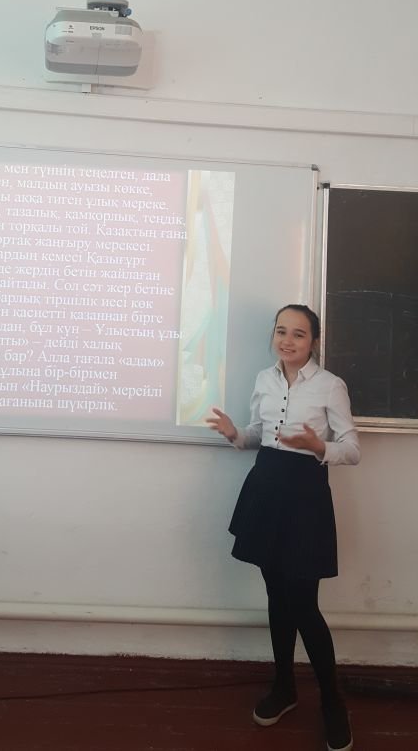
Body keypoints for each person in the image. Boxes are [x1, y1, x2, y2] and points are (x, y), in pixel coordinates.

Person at [206, 304, 360, 751]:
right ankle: (284, 687)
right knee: (276, 595)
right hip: (266, 488)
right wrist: (236, 435)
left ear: (314, 341)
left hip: (305, 496)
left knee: (304, 604)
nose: (287, 341)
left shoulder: (331, 385)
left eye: (298, 334)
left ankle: (332, 703)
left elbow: (352, 449)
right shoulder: (264, 379)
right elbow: (259, 434)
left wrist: (318, 446)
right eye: (281, 331)